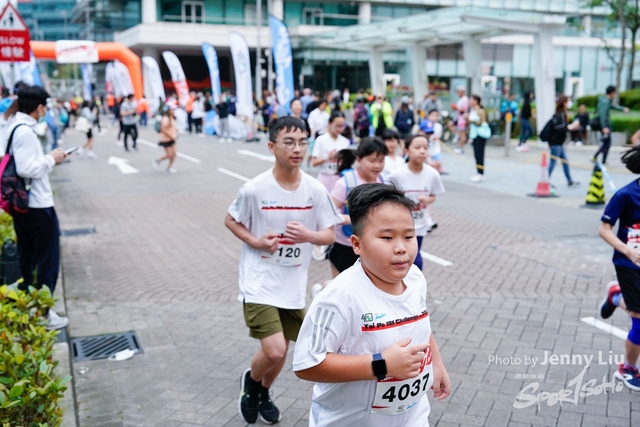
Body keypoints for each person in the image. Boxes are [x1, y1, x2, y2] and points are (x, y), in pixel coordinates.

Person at [293, 183, 451, 427]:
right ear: (357, 244)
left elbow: (419, 323)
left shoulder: (415, 277)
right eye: (387, 237)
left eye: (408, 236)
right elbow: (308, 364)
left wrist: (436, 365)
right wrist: (381, 364)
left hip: (413, 419)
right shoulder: (338, 297)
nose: (401, 248)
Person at [225, 116, 342, 424]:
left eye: (303, 142)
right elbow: (231, 220)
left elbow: (329, 234)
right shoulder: (254, 189)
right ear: (271, 146)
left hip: (293, 284)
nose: (297, 149)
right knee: (275, 350)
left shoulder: (315, 190)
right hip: (259, 280)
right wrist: (256, 241)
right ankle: (252, 383)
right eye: (289, 142)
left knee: (284, 349)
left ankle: (262, 392)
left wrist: (308, 235)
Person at [10, 85, 69, 330]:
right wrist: (51, 159)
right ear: (39, 107)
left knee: (29, 256)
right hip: (36, 203)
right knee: (47, 259)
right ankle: (44, 314)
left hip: (23, 203)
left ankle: (32, 308)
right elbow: (26, 168)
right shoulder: (25, 131)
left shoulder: (13, 126)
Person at [598, 145, 640, 391]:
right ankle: (628, 369)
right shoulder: (626, 195)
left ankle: (615, 296)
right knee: (639, 320)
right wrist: (628, 251)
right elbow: (604, 229)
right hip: (628, 264)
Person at [328, 138, 387, 278]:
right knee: (341, 286)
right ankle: (323, 287)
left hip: (370, 246)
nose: (377, 166)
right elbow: (328, 213)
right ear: (359, 160)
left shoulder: (383, 181)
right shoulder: (345, 183)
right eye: (372, 161)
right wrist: (355, 219)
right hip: (345, 245)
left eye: (381, 160)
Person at [387, 133, 445, 270]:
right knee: (407, 257)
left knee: (414, 257)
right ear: (407, 150)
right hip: (400, 224)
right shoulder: (396, 175)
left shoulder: (432, 174)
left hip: (420, 223)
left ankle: (414, 282)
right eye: (417, 147)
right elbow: (387, 199)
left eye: (425, 147)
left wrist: (427, 199)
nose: (422, 151)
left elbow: (433, 196)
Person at [311, 111, 350, 192]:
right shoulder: (321, 140)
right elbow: (314, 163)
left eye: (342, 126)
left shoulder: (345, 141)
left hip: (340, 179)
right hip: (324, 178)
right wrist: (328, 157)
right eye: (337, 126)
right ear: (329, 123)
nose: (339, 129)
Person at [548, 95, 581, 187]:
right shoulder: (560, 115)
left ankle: (569, 180)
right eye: (568, 101)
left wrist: (571, 127)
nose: (569, 103)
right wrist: (570, 127)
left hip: (559, 143)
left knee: (565, 162)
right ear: (564, 103)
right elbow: (560, 129)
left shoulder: (560, 114)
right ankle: (545, 180)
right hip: (556, 143)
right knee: (553, 162)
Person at [594, 86, 629, 164]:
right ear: (612, 92)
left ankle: (597, 157)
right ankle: (601, 160)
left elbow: (613, 106)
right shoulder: (605, 102)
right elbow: (602, 115)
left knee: (606, 143)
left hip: (605, 125)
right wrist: (604, 127)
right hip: (605, 125)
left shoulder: (605, 100)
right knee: (607, 143)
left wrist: (622, 108)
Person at [467, 95, 489, 183]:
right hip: (474, 135)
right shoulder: (473, 110)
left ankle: (480, 173)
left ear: (476, 101)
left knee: (479, 154)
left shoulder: (481, 111)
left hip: (480, 135)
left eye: (471, 100)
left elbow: (480, 122)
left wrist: (469, 120)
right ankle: (478, 172)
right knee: (476, 154)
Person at [153, 106, 178, 174]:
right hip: (165, 139)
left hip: (171, 138)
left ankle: (169, 167)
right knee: (169, 155)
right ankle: (157, 161)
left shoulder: (172, 117)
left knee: (174, 153)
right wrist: (172, 136)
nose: (173, 110)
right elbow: (163, 129)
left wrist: (177, 130)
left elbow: (172, 126)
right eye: (172, 109)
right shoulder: (165, 118)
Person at [451, 86, 468, 154]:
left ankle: (461, 148)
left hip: (462, 118)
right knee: (450, 124)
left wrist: (456, 107)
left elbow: (463, 109)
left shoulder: (465, 99)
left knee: (462, 134)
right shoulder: (461, 99)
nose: (458, 93)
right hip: (458, 117)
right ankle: (457, 135)